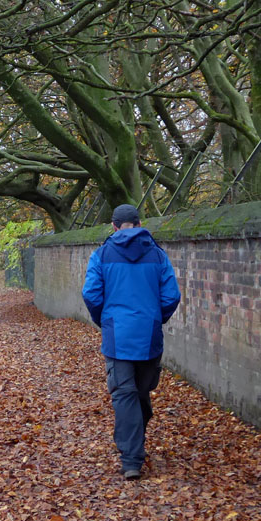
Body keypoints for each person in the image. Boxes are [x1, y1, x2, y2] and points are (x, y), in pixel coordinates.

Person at [82, 203, 181, 480]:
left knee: (126, 394)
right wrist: (154, 318)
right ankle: (133, 450)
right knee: (140, 391)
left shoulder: (101, 255)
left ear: (113, 227)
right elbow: (171, 296)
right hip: (149, 334)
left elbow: (91, 294)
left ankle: (131, 460)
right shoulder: (159, 257)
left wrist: (105, 320)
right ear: (139, 224)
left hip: (117, 336)